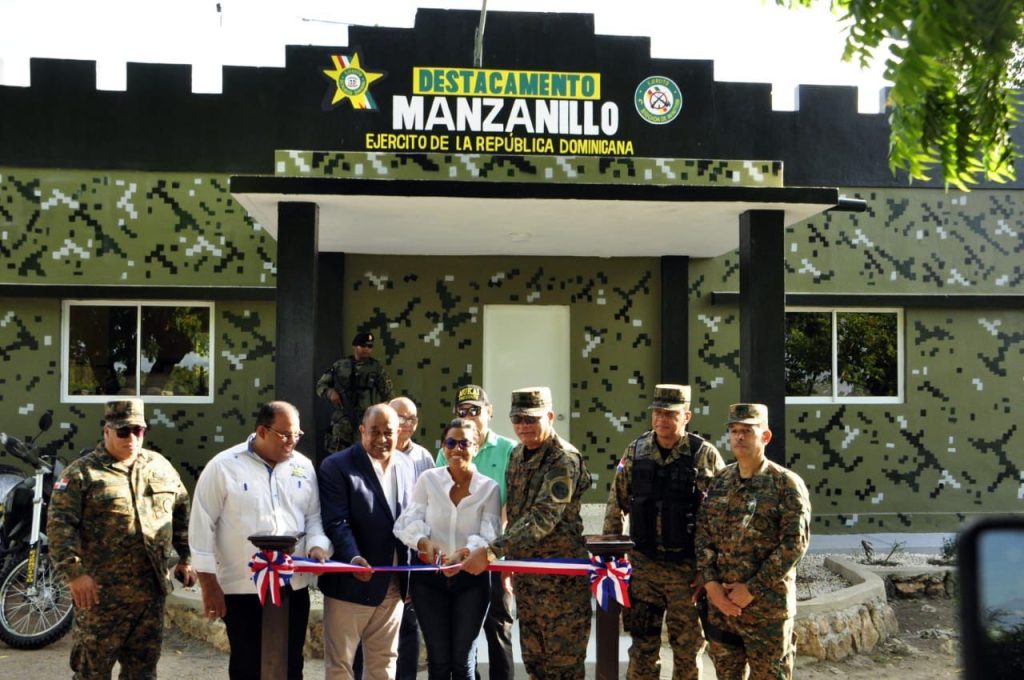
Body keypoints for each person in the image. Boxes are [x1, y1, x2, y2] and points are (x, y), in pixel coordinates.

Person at [48, 398, 195, 679]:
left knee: (143, 672)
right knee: (92, 672)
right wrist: (74, 574)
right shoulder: (81, 474)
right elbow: (59, 527)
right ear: (107, 431)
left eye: (138, 431)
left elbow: (181, 514)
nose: (132, 438)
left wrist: (187, 557)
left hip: (150, 594)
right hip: (101, 596)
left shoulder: (160, 466)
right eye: (123, 431)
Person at [188, 400, 330, 680]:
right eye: (285, 434)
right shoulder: (223, 466)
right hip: (242, 587)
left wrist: (317, 546)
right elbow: (201, 526)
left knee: (291, 664)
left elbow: (314, 517)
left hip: (293, 585)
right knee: (247, 665)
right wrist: (208, 584)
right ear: (262, 431)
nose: (292, 441)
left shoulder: (303, 466)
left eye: (297, 434)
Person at [463, 386, 591, 680]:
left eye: (531, 419)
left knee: (563, 668)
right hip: (528, 580)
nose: (523, 426)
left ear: (550, 416)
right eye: (517, 419)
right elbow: (515, 511)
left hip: (560, 582)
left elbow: (543, 517)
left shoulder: (563, 458)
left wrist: (493, 552)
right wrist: (509, 562)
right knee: (535, 664)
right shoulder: (518, 455)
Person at [603, 384, 725, 680]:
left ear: (687, 416)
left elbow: (721, 518)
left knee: (687, 651)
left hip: (687, 573)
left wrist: (709, 571)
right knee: (642, 649)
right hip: (644, 570)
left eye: (670, 414)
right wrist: (612, 558)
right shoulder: (636, 450)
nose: (662, 419)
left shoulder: (704, 455)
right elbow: (616, 505)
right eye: (657, 412)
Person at [695, 404, 812, 680]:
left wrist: (751, 589)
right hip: (723, 610)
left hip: (767, 612)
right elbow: (703, 534)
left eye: (747, 431)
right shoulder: (721, 480)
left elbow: (794, 545)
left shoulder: (786, 484)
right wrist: (712, 587)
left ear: (765, 436)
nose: (739, 437)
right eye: (734, 430)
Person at [395, 418, 502, 680]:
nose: (457, 449)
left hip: (472, 580)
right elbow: (406, 523)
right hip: (428, 580)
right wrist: (424, 542)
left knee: (463, 661)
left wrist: (462, 555)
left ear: (476, 447)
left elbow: (490, 535)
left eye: (464, 443)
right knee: (439, 661)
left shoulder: (489, 488)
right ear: (443, 447)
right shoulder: (428, 480)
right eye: (451, 443)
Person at [319, 403, 416, 680]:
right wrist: (353, 558)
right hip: (350, 584)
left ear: (400, 432)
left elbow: (412, 520)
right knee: (341, 665)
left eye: (389, 432)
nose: (382, 439)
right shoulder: (337, 466)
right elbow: (336, 521)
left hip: (393, 585)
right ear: (362, 430)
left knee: (384, 663)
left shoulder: (406, 465)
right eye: (375, 431)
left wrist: (412, 572)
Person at [435, 384, 517, 680]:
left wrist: (495, 550)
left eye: (475, 410)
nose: (469, 415)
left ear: (490, 412)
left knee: (498, 629)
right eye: (462, 410)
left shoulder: (509, 449)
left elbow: (512, 504)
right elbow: (438, 497)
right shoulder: (447, 449)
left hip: (493, 554)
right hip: (456, 557)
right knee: (461, 635)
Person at [351, 396, 433, 680]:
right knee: (365, 639)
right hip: (368, 562)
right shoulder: (360, 458)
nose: (405, 423)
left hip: (406, 562)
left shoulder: (423, 458)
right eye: (399, 417)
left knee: (407, 630)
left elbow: (425, 510)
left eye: (410, 419)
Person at [316, 331, 394, 452]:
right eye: (363, 346)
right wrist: (330, 393)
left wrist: (380, 415)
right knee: (340, 454)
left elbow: (389, 396)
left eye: (370, 346)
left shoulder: (377, 369)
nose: (366, 349)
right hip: (344, 420)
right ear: (355, 346)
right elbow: (321, 385)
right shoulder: (340, 366)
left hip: (368, 419)